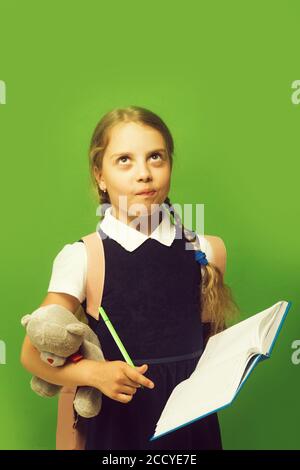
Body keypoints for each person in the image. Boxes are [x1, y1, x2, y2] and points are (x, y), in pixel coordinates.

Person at [20, 105, 239, 450]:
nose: (144, 174)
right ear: (100, 175)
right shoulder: (83, 257)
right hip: (118, 430)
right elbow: (32, 355)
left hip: (193, 428)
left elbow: (210, 342)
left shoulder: (207, 251)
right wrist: (94, 374)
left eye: (156, 157)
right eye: (124, 160)